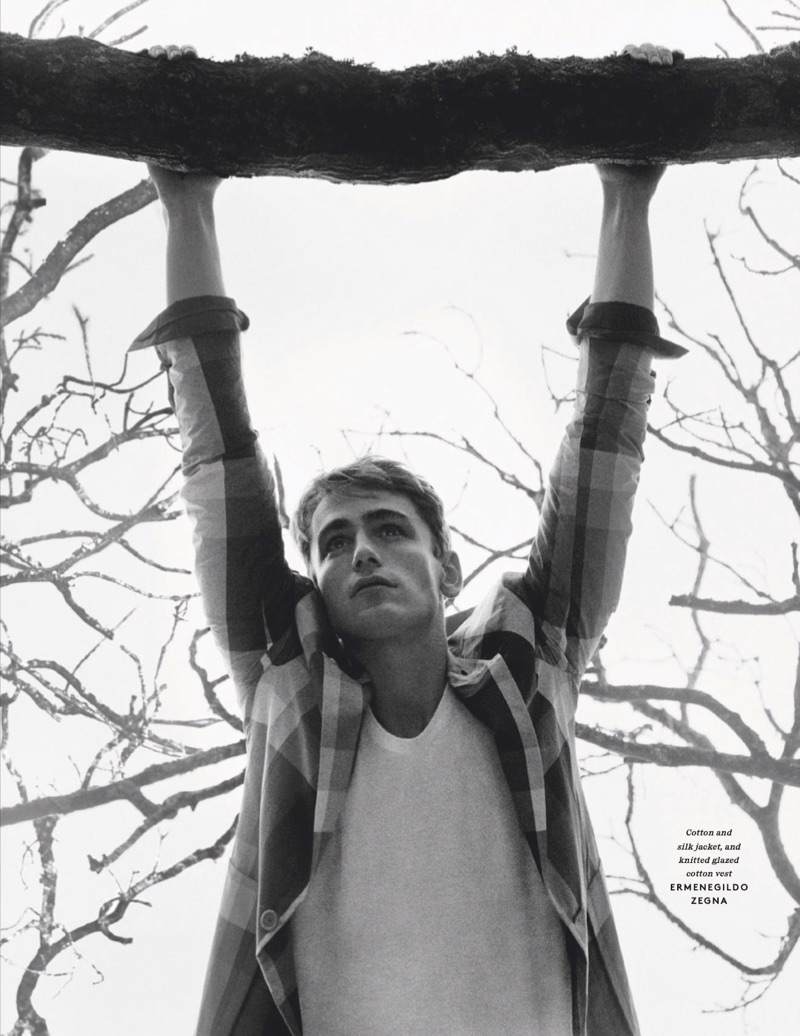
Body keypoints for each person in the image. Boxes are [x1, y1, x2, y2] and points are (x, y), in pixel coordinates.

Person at [133, 41, 685, 1036]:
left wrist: (629, 190)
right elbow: (217, 459)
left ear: (448, 565)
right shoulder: (289, 682)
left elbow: (606, 444)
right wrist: (185, 199)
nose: (360, 553)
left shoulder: (529, 665)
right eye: (333, 542)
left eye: (388, 530)